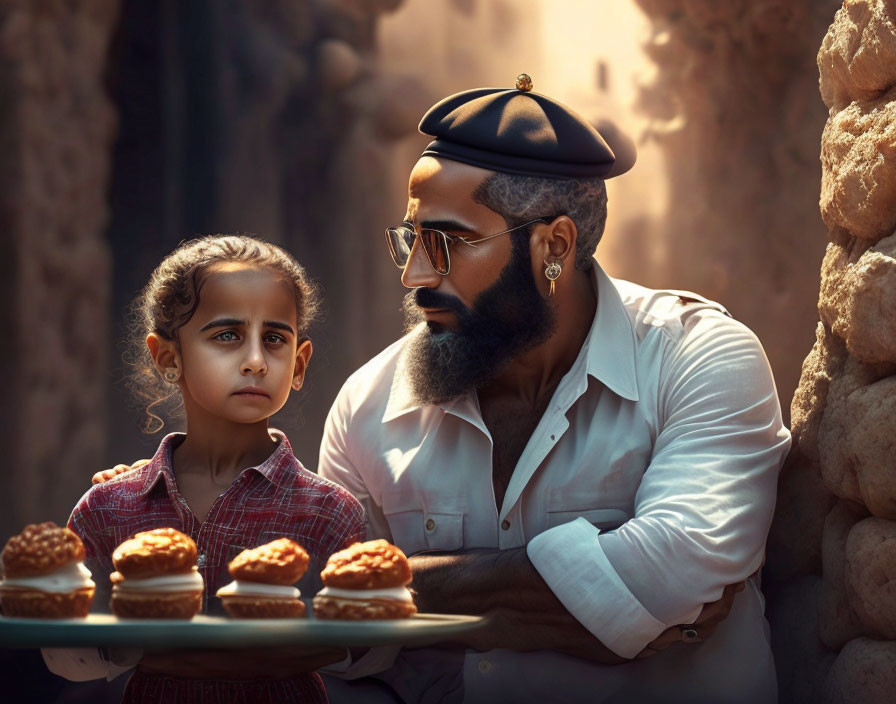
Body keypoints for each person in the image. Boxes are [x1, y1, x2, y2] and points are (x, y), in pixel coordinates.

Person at [316, 76, 791, 703]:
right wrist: (602, 603)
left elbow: (674, 572)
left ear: (554, 247)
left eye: (447, 243)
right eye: (411, 238)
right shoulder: (369, 403)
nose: (416, 273)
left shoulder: (699, 358)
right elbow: (327, 628)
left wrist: (406, 597)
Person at [44, 235, 365, 703]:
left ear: (299, 364)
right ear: (168, 358)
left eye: (275, 339)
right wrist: (139, 637)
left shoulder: (329, 513)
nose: (255, 361)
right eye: (227, 336)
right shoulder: (110, 507)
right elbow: (64, 654)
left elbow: (373, 645)